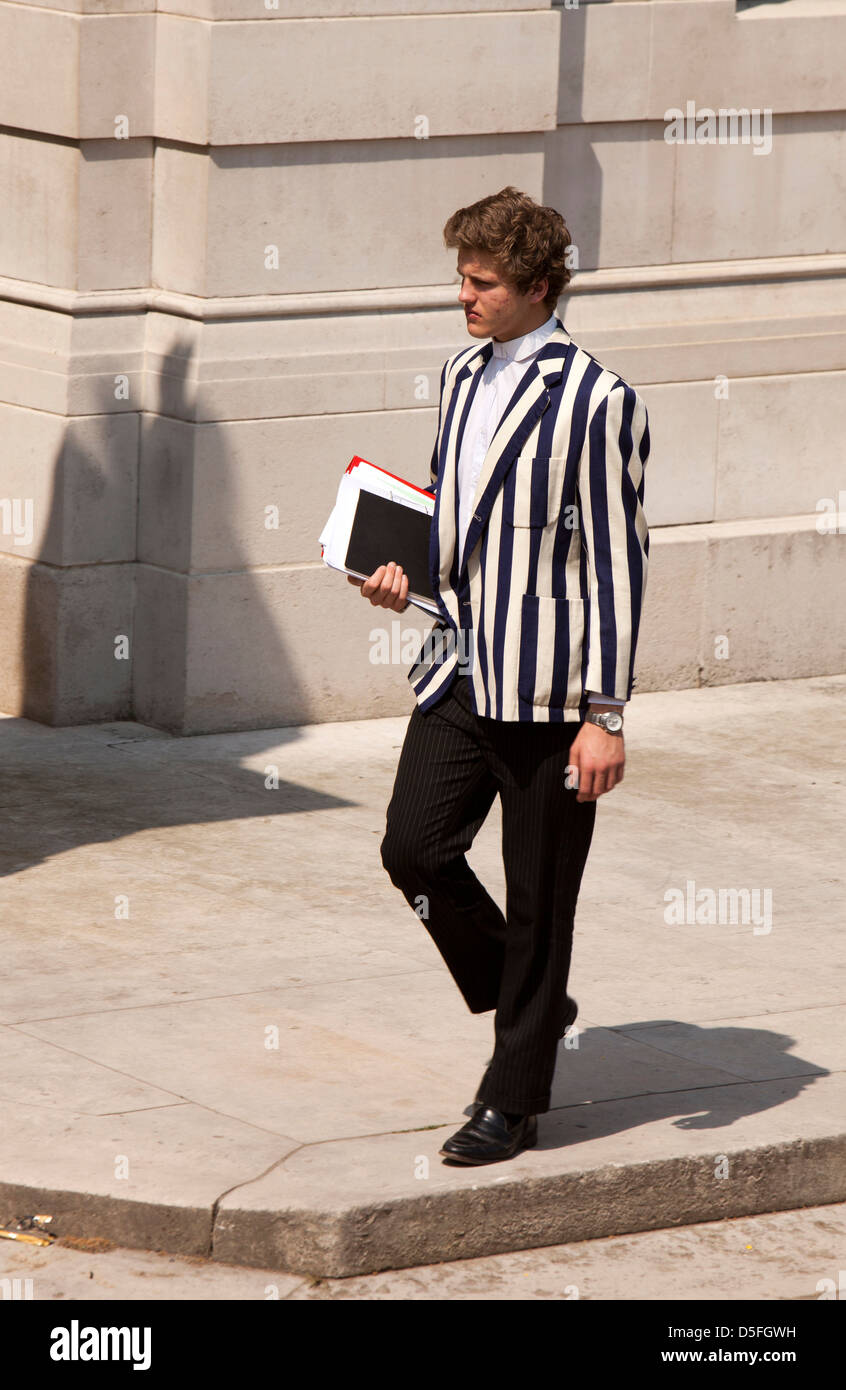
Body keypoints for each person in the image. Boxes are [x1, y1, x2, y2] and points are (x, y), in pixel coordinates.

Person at [348, 187, 649, 1164]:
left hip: (556, 694)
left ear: (537, 287)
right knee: (415, 849)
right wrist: (407, 578)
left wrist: (605, 713)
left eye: (481, 284)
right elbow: (455, 516)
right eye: (461, 281)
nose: (464, 299)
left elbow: (616, 562)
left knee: (539, 898)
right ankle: (532, 992)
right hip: (460, 666)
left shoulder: (598, 402)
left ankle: (512, 1098)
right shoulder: (459, 375)